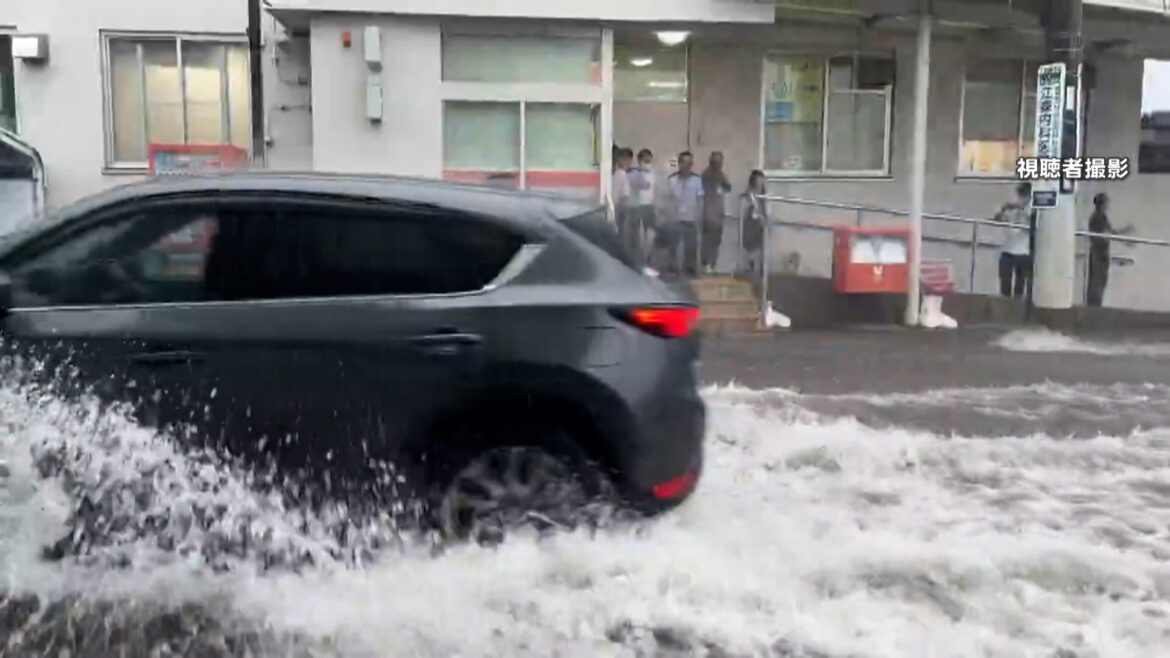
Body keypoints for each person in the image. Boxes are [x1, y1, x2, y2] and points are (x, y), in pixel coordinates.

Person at [1087, 192, 1133, 307]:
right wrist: (1123, 237)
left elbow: (1110, 233)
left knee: (1100, 280)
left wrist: (1124, 236)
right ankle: (1094, 306)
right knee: (1097, 280)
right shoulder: (1097, 218)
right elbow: (1106, 234)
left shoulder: (1102, 217)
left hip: (1101, 252)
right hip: (1098, 253)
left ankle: (1096, 305)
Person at [663, 151, 705, 276]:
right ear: (680, 163)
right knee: (673, 244)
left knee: (691, 245)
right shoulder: (672, 179)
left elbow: (700, 199)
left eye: (689, 163)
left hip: (691, 217)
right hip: (675, 217)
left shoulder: (697, 180)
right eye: (684, 163)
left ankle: (690, 269)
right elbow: (667, 199)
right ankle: (672, 268)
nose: (687, 166)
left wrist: (699, 217)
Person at [995, 182, 1034, 299]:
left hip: (1023, 252)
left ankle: (1017, 304)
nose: (1020, 198)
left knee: (1019, 285)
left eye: (1024, 195)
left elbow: (1033, 222)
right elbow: (997, 218)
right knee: (1005, 282)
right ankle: (1005, 302)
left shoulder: (1032, 209)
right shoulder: (1011, 209)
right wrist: (1004, 208)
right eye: (1019, 194)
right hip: (1007, 250)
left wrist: (1020, 207)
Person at [701, 151, 733, 274]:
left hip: (717, 214)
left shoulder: (719, 174)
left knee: (715, 241)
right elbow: (726, 187)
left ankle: (711, 265)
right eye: (717, 161)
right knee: (709, 241)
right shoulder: (709, 175)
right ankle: (707, 265)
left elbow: (728, 187)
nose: (719, 164)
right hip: (709, 213)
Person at [626, 148, 657, 258]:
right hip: (638, 207)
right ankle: (638, 255)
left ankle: (648, 255)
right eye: (645, 161)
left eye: (649, 161)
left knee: (651, 233)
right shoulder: (634, 174)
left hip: (650, 206)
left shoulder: (654, 174)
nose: (648, 164)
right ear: (640, 162)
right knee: (638, 235)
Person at [738, 170, 768, 279]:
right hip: (750, 227)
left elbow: (764, 212)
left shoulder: (763, 197)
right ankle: (749, 271)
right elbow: (747, 211)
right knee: (750, 251)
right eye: (759, 182)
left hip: (759, 228)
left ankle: (758, 273)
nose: (760, 185)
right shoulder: (748, 196)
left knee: (759, 252)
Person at [611, 147, 633, 237]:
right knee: (621, 232)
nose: (629, 163)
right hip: (619, 207)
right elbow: (623, 195)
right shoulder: (620, 174)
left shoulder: (619, 173)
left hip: (618, 206)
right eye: (628, 160)